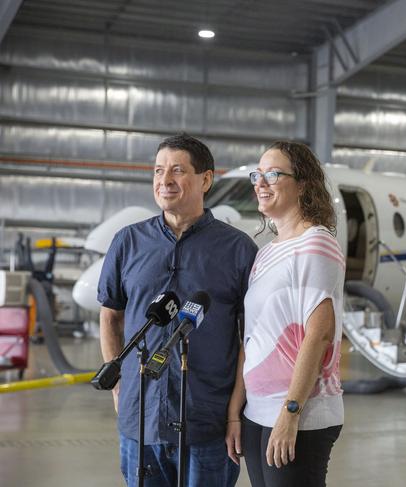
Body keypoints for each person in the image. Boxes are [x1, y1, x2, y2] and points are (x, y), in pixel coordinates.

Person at [97, 133, 257, 487]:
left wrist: (235, 412)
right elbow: (110, 314)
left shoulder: (238, 249)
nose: (164, 180)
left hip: (208, 421)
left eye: (177, 170)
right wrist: (118, 385)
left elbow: (251, 337)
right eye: (157, 171)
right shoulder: (128, 242)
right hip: (141, 419)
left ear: (206, 179)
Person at [225, 141, 344, 487]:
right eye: (257, 175)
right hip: (257, 411)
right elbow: (253, 336)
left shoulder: (316, 242)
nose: (261, 183)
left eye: (273, 174)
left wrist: (290, 413)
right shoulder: (266, 254)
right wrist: (236, 409)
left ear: (303, 184)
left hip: (301, 413)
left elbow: (318, 335)